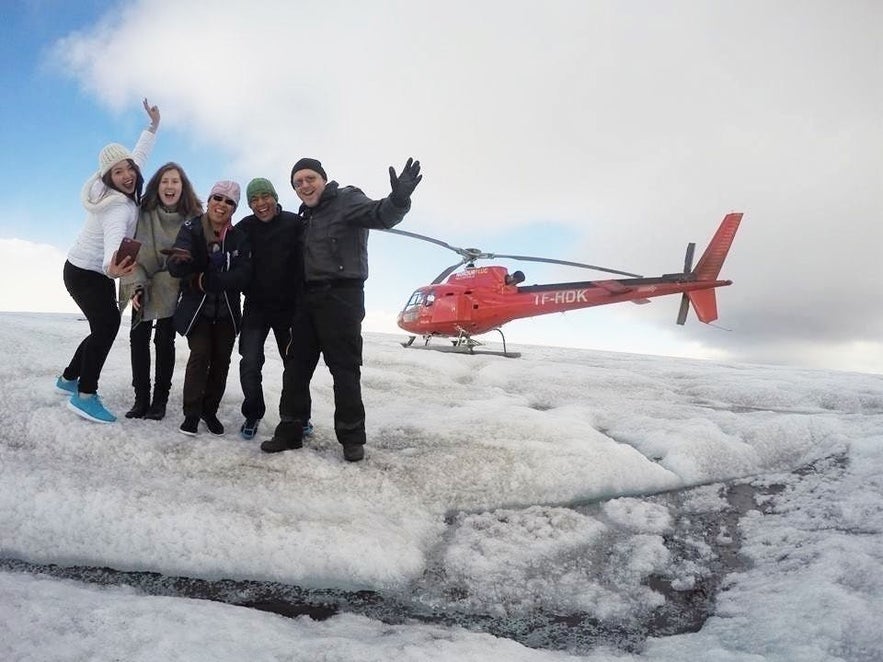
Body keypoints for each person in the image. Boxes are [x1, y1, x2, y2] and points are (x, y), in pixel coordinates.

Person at [260, 156, 422, 461]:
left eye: (309, 179)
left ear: (323, 178)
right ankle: (290, 430)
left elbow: (381, 215)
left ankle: (351, 437)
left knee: (344, 370)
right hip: (308, 300)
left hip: (342, 297)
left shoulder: (347, 199)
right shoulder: (306, 215)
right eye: (298, 183)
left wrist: (399, 199)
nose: (304, 186)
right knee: (296, 368)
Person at [57, 98, 160, 424]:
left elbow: (139, 154)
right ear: (108, 178)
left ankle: (68, 378)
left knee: (101, 326)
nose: (128, 175)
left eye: (129, 168)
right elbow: (113, 246)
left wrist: (152, 127)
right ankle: (85, 395)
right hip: (86, 272)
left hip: (87, 271)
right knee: (107, 326)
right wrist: (112, 268)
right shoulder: (116, 206)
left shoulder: (127, 181)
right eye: (119, 172)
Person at [119, 162, 204, 420]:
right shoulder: (142, 212)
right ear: (158, 185)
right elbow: (131, 250)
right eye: (165, 181)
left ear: (182, 186)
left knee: (164, 341)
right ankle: (140, 399)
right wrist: (135, 284)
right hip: (140, 278)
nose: (170, 186)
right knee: (138, 339)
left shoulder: (193, 218)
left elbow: (195, 256)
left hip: (173, 284)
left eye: (175, 181)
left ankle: (160, 401)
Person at [167, 181, 252, 436]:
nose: (222, 204)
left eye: (229, 202)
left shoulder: (239, 238)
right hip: (198, 310)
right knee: (200, 355)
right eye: (218, 198)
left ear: (234, 209)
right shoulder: (191, 229)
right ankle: (192, 413)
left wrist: (217, 280)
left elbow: (245, 274)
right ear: (209, 200)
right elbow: (177, 265)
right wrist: (182, 264)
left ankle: (209, 410)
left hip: (227, 312)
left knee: (221, 361)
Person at [235, 178, 311, 440]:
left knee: (294, 364)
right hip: (256, 306)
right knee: (250, 362)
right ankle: (253, 413)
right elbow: (222, 241)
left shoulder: (294, 223)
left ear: (275, 197)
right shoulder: (244, 227)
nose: (260, 204)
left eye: (265, 197)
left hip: (288, 308)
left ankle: (300, 417)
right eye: (254, 200)